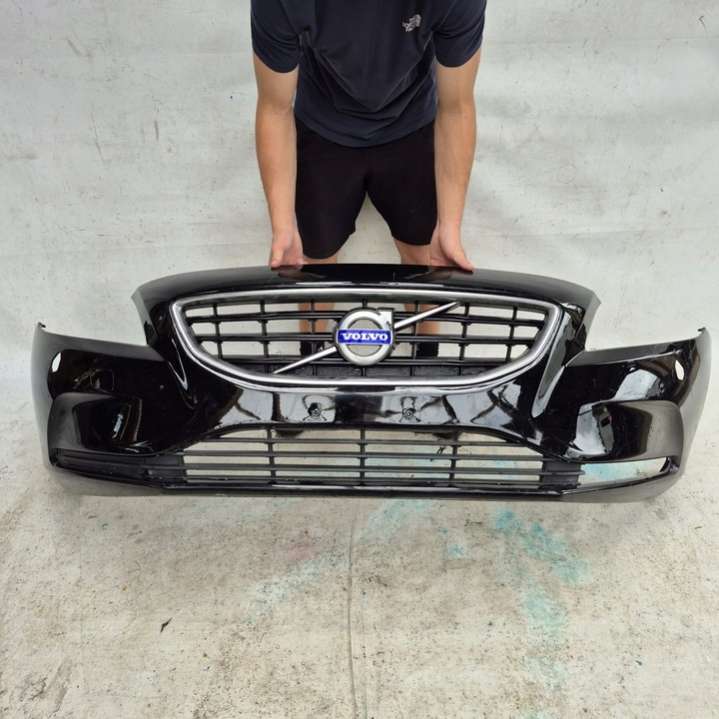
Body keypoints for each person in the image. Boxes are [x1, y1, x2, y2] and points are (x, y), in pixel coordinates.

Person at [251, 0, 486, 271]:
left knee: (425, 259)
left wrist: (449, 227)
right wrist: (283, 227)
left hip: (411, 122)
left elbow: (456, 107)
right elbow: (275, 108)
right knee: (315, 266)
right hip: (322, 123)